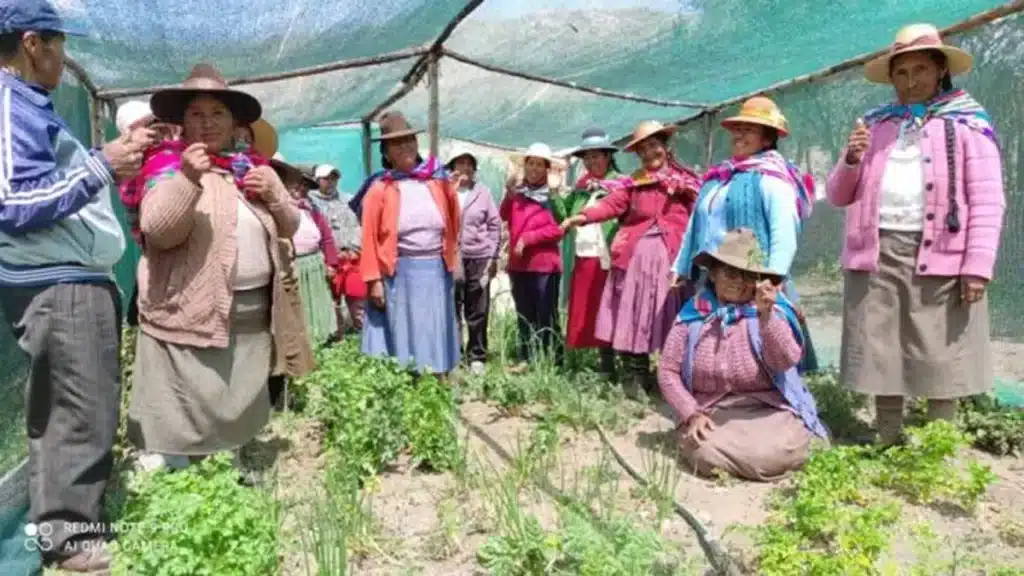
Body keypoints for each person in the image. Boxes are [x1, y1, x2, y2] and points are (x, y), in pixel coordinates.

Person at [0, 1, 149, 570]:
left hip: (66, 277)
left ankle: (58, 528)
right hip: (55, 284)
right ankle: (70, 539)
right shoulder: (9, 103)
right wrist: (101, 166)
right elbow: (14, 203)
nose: (66, 55)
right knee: (82, 410)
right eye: (60, 43)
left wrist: (98, 163)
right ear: (33, 42)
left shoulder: (28, 105)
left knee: (68, 409)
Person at [827, 23, 1004, 446]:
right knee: (882, 348)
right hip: (877, 252)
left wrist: (977, 266)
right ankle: (888, 437)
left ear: (941, 70)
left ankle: (939, 448)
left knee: (942, 351)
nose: (910, 82)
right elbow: (838, 195)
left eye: (920, 70)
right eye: (901, 73)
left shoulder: (967, 124)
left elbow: (987, 199)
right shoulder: (873, 125)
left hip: (943, 253)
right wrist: (851, 159)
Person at [127, 64, 306, 474]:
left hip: (250, 315)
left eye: (217, 114)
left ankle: (227, 466)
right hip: (188, 312)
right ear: (182, 123)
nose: (207, 123)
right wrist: (189, 179)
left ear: (234, 123)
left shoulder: (247, 170)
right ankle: (179, 477)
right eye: (196, 114)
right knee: (185, 404)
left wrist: (276, 196)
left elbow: (290, 226)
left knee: (235, 398)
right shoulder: (167, 166)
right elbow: (159, 231)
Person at [658, 229, 827, 481]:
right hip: (713, 412)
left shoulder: (769, 310)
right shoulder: (694, 314)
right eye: (730, 272)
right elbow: (667, 370)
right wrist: (691, 413)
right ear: (713, 274)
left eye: (748, 275)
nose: (739, 281)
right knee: (705, 449)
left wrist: (766, 316)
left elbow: (786, 360)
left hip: (769, 409)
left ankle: (754, 463)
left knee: (783, 447)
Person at [673, 97, 820, 373]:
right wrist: (681, 266)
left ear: (767, 139)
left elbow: (784, 231)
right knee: (716, 340)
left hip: (754, 278)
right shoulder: (719, 177)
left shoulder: (772, 179)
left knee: (760, 345)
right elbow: (696, 223)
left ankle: (770, 400)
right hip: (714, 275)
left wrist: (772, 278)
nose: (738, 134)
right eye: (737, 128)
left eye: (749, 129)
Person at [561, 120, 700, 398]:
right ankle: (637, 374)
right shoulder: (633, 183)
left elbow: (702, 213)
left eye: (653, 146)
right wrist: (584, 216)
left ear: (665, 146)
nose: (649, 153)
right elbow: (612, 204)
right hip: (634, 258)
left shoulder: (685, 182)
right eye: (643, 150)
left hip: (673, 262)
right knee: (635, 316)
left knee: (671, 316)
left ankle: (673, 376)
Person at [359, 111, 461, 375]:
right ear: (386, 152)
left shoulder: (437, 182)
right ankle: (411, 383)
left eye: (409, 140)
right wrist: (373, 281)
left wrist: (453, 258)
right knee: (406, 331)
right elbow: (369, 237)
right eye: (396, 143)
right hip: (400, 272)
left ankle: (437, 379)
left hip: (437, 270)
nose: (405, 147)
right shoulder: (380, 188)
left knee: (434, 328)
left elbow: (453, 223)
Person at [553, 127, 622, 380]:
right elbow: (563, 216)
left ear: (608, 157)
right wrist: (553, 192)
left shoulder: (621, 186)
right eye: (588, 157)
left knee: (609, 309)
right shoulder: (581, 190)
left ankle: (610, 364)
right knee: (586, 310)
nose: (592, 162)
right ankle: (581, 364)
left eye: (597, 156)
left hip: (610, 259)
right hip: (583, 259)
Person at [500, 142, 565, 373]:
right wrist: (508, 194)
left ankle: (553, 362)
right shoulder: (519, 194)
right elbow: (504, 215)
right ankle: (526, 358)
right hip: (519, 266)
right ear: (525, 166)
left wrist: (529, 238)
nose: (534, 169)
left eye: (540, 164)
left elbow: (560, 227)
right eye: (531, 164)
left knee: (546, 314)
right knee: (524, 313)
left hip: (544, 266)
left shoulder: (553, 197)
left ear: (547, 169)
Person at [271, 153, 340, 346]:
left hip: (314, 263)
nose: (301, 189)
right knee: (300, 304)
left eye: (305, 187)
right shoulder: (280, 209)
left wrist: (331, 263)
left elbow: (326, 238)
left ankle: (322, 337)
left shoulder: (312, 210)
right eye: (298, 184)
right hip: (294, 265)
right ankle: (304, 341)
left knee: (318, 302)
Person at [447, 147, 500, 375]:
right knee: (452, 305)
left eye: (469, 164)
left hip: (478, 256)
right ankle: (453, 352)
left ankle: (477, 355)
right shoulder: (444, 192)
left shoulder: (483, 193)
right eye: (460, 163)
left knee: (478, 307)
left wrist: (492, 252)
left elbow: (494, 224)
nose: (465, 168)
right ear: (452, 168)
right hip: (451, 256)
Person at [309, 163, 365, 336]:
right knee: (330, 299)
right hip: (324, 259)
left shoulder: (348, 199)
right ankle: (335, 334)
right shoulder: (310, 202)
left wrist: (354, 248)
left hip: (350, 257)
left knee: (357, 296)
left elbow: (360, 225)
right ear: (317, 180)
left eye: (334, 177)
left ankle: (360, 333)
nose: (331, 182)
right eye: (326, 178)